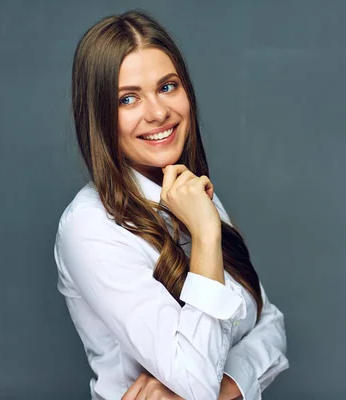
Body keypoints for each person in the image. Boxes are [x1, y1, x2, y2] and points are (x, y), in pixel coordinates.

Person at [54, 10, 289, 400]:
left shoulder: (187, 193)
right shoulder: (91, 227)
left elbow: (270, 324)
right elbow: (197, 381)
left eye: (167, 87)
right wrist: (207, 235)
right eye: (128, 98)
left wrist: (227, 387)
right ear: (99, 117)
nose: (158, 112)